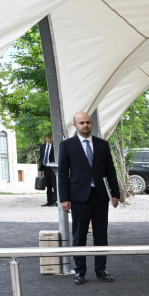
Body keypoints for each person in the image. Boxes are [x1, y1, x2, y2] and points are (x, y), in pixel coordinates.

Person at [58, 112, 120, 285]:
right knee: (79, 236)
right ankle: (80, 272)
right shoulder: (67, 145)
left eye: (87, 122)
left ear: (91, 124)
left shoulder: (102, 145)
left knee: (101, 236)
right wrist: (64, 198)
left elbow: (110, 171)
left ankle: (101, 270)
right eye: (81, 123)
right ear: (75, 125)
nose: (85, 125)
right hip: (78, 197)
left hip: (100, 196)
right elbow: (63, 174)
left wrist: (115, 193)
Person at [37, 136, 57, 207]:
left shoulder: (55, 146)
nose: (51, 138)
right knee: (48, 185)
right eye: (48, 137)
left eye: (51, 137)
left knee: (54, 184)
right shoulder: (43, 146)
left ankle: (55, 200)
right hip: (46, 167)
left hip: (53, 167)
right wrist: (40, 169)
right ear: (45, 138)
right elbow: (41, 158)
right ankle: (49, 200)